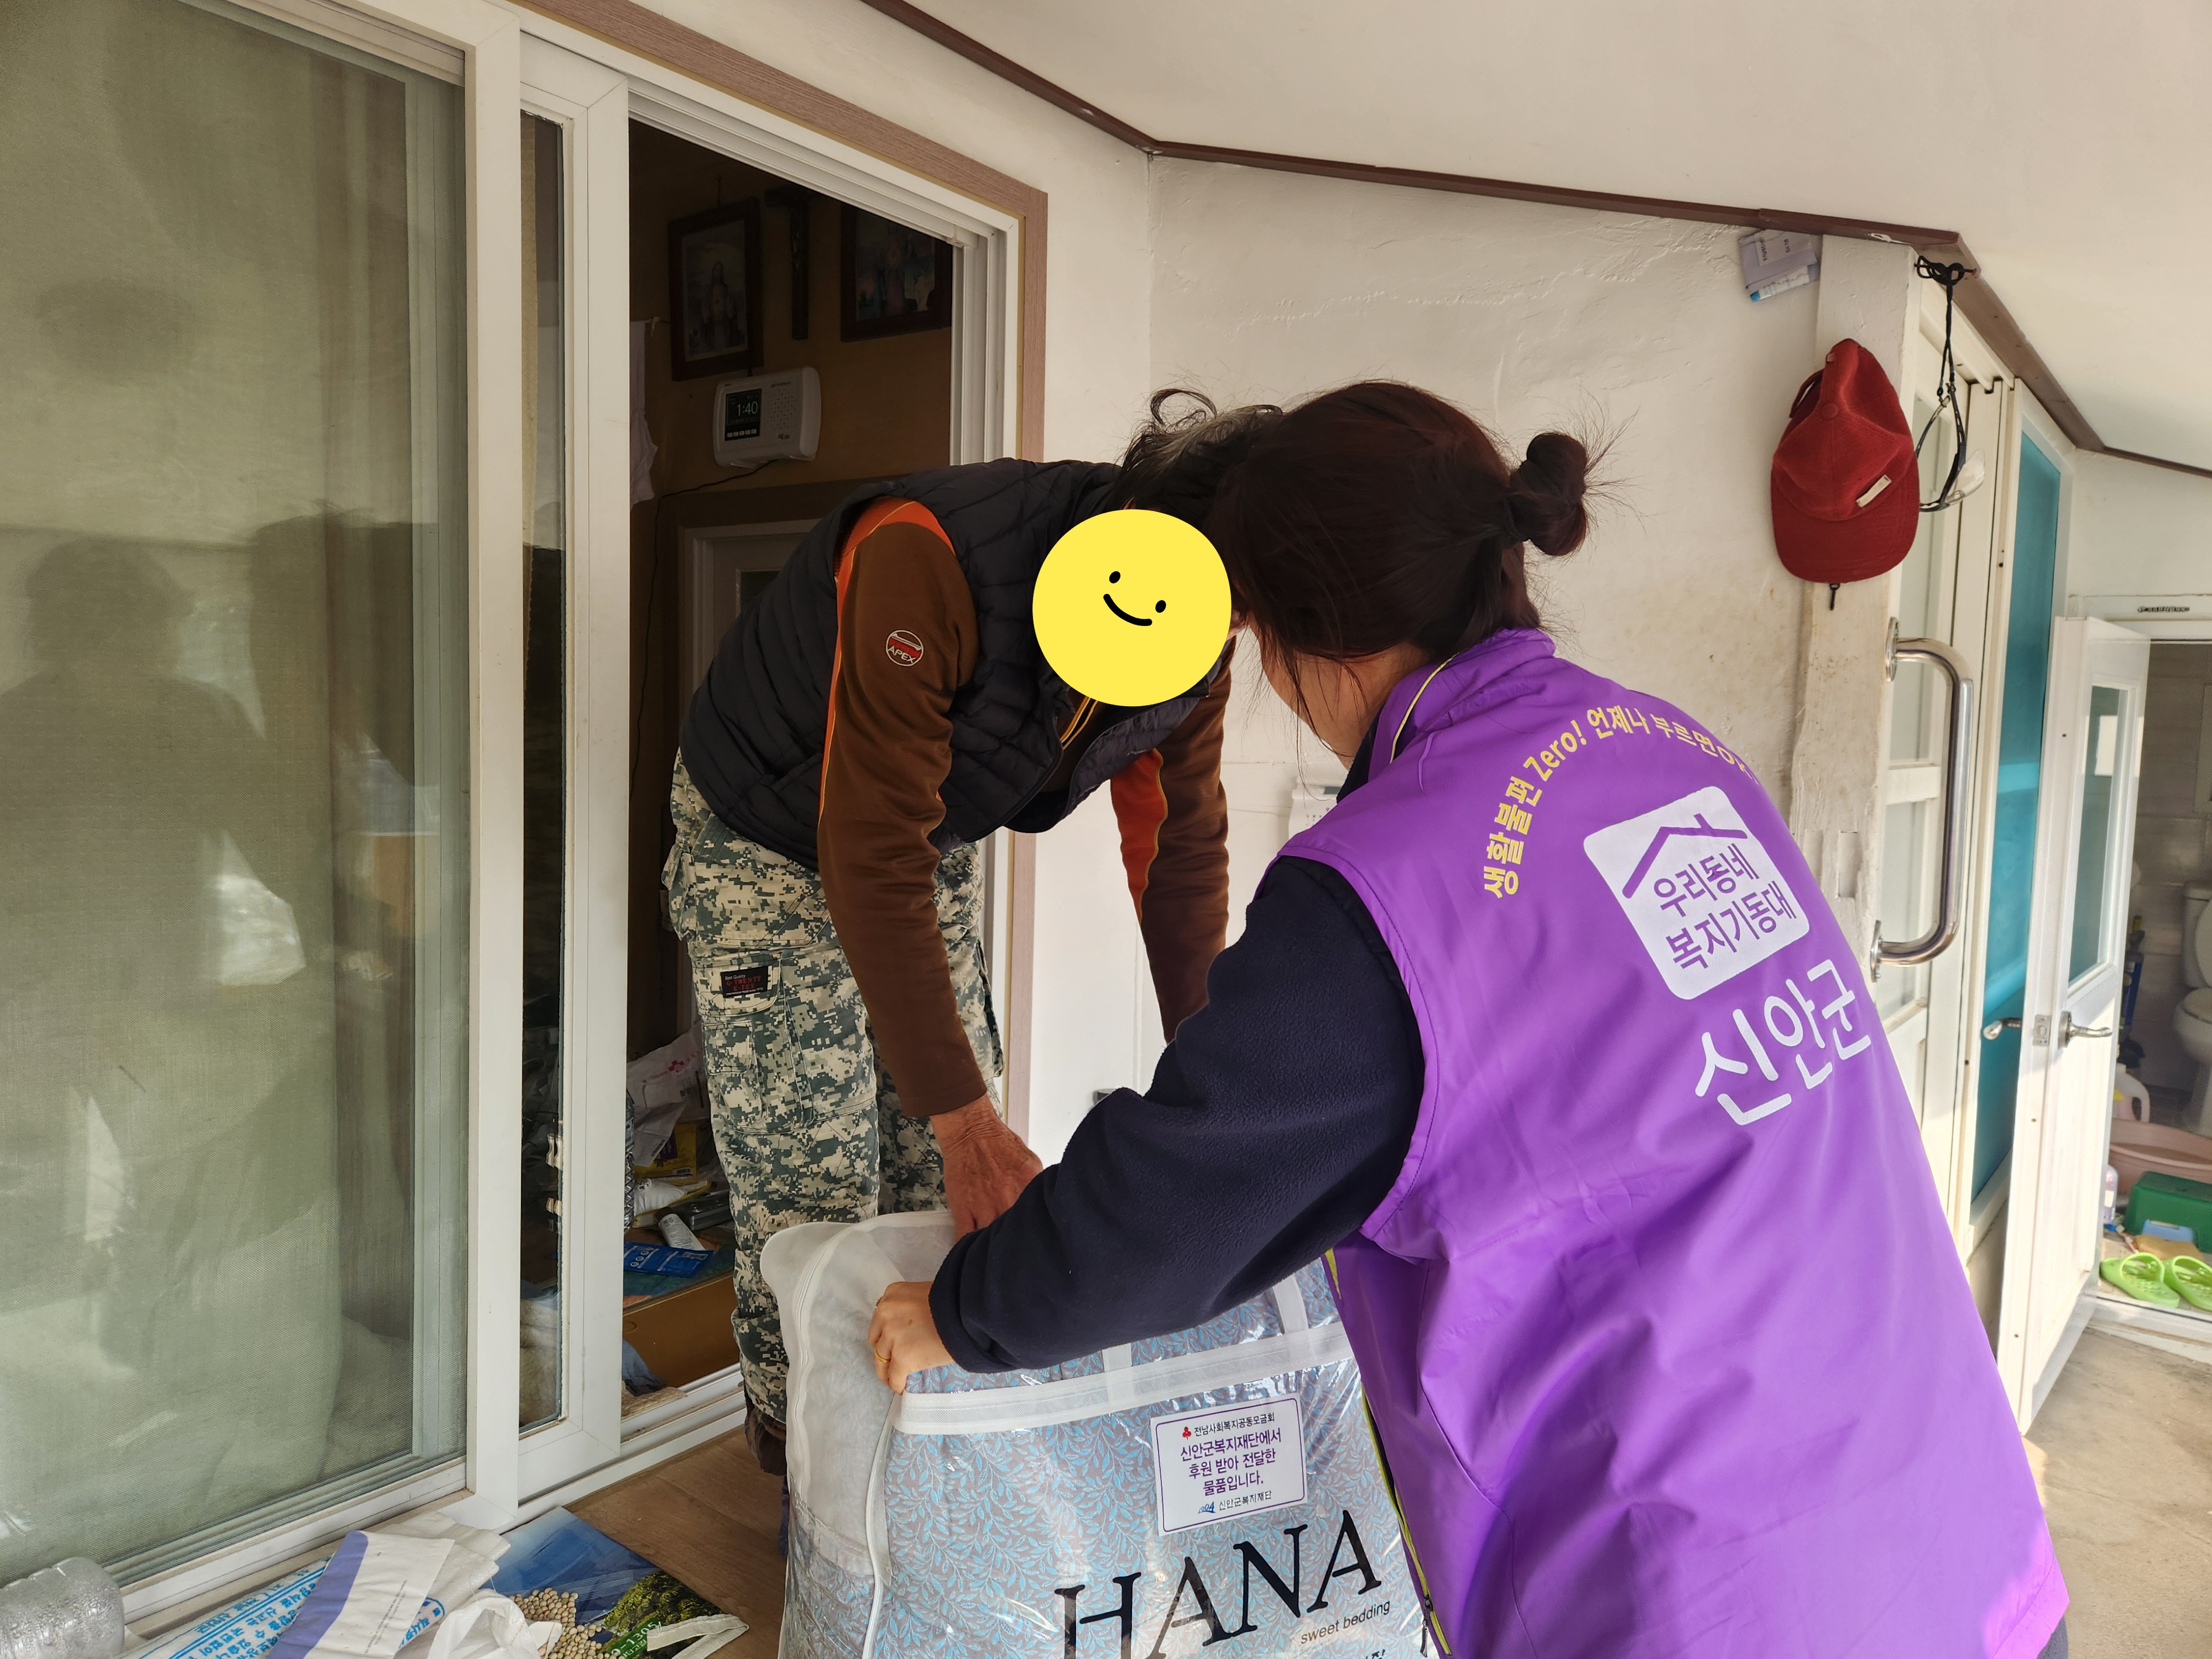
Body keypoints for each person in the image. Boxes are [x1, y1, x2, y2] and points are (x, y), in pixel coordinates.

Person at [869, 382, 2069, 1657]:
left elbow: (1165, 1212)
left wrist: (964, 1310)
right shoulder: (1676, 753)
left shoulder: (1383, 885)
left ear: (1300, 638)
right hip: (1960, 1538)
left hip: (1713, 1597)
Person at [668, 393, 1280, 1473]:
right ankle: (803, 1473)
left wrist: (1211, 1077)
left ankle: (919, 1468)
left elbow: (1178, 851)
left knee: (940, 1181)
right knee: (813, 1192)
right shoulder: (927, 556)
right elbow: (865, 853)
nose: (1232, 632)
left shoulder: (1198, 625)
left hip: (916, 833)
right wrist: (969, 1124)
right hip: (762, 835)